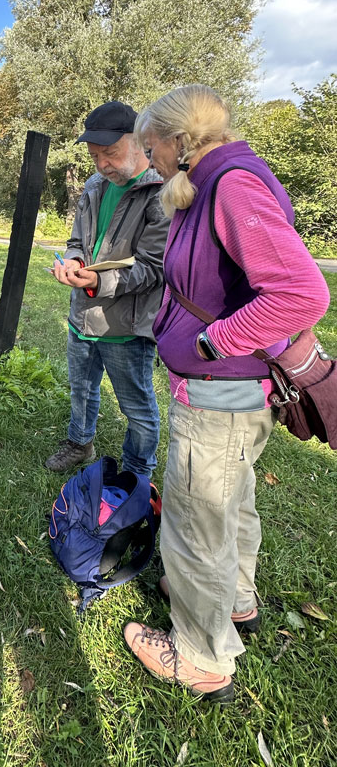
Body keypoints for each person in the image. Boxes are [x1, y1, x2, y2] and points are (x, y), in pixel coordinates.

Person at [124, 84, 330, 702]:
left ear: (180, 142)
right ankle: (234, 600)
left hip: (221, 388)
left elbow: (301, 293)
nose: (148, 157)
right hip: (223, 393)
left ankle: (201, 655)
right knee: (229, 500)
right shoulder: (208, 186)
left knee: (195, 519)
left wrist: (216, 342)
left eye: (151, 145)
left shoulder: (232, 186)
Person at [45, 101, 168, 478]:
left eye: (110, 153)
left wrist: (100, 281)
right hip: (82, 314)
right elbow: (76, 239)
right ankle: (80, 442)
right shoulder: (95, 185)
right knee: (80, 389)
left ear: (139, 142)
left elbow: (155, 269)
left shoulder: (161, 194)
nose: (101, 165)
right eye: (95, 155)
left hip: (126, 327)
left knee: (137, 406)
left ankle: (137, 470)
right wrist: (75, 262)